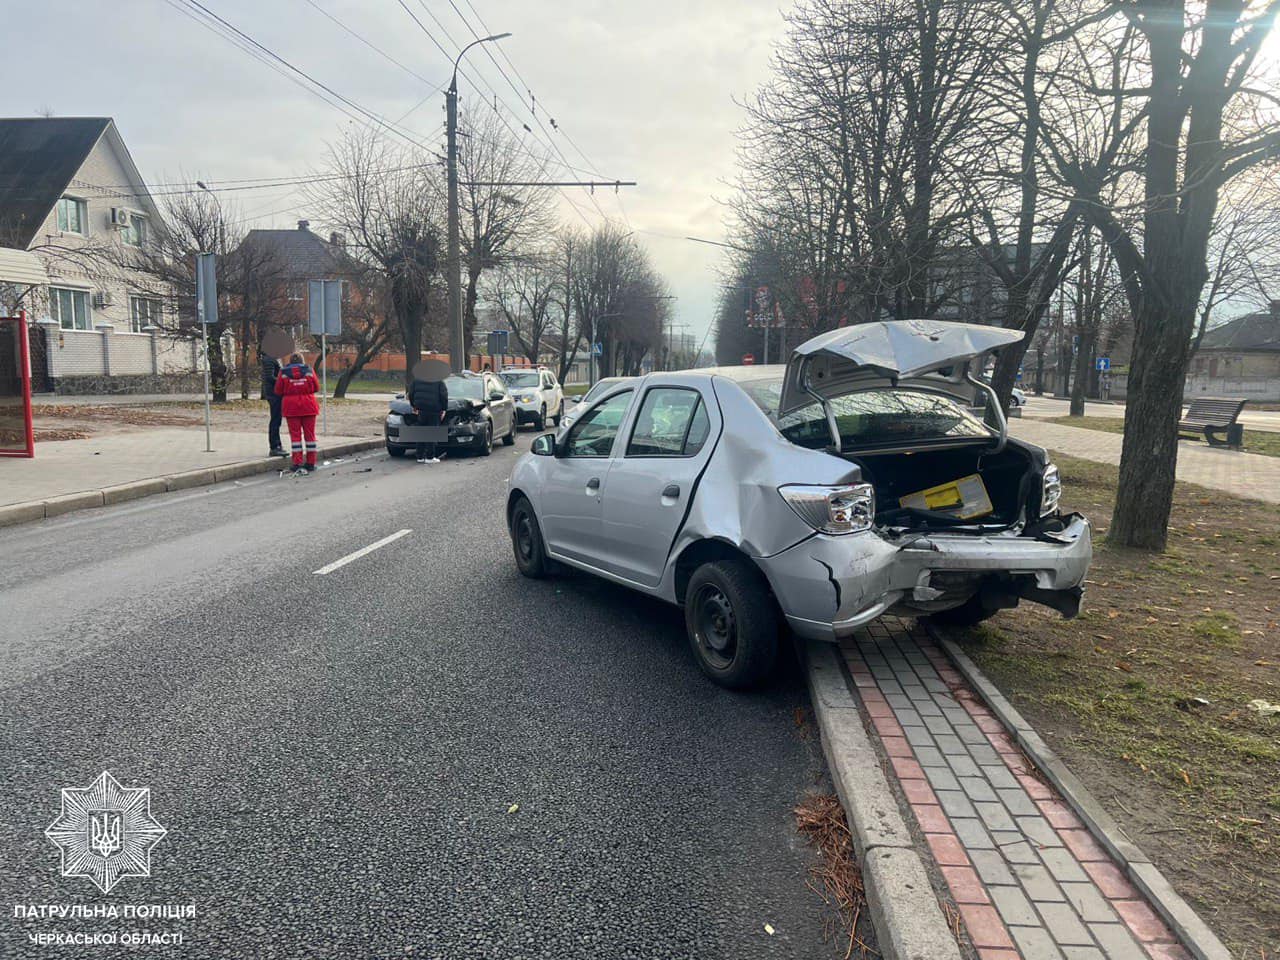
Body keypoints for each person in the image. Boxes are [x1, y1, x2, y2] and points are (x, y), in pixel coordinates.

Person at [275, 353, 321, 474]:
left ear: (290, 361)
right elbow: (316, 387)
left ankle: (297, 463)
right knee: (310, 436)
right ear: (302, 360)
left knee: (295, 437)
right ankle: (311, 463)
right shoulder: (309, 370)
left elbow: (278, 390)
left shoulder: (283, 372)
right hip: (308, 405)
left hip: (291, 407)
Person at [408, 372, 449, 463]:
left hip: (420, 410)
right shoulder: (439, 382)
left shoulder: (416, 381)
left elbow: (410, 394)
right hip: (434, 410)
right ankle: (430, 457)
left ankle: (420, 456)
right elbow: (444, 396)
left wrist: (414, 405)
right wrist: (444, 409)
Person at [260, 348, 286, 457]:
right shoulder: (269, 359)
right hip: (274, 393)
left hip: (274, 393)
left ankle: (277, 444)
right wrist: (283, 381)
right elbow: (270, 377)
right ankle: (274, 446)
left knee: (277, 419)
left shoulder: (270, 358)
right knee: (275, 420)